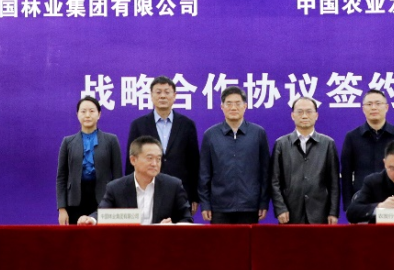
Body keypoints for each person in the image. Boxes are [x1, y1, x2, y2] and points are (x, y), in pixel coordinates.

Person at [126, 76, 200, 216]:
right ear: (151, 95)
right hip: (146, 189)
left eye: (167, 92)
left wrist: (194, 196)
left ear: (174, 95)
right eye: (158, 92)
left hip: (181, 191)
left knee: (179, 228)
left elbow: (194, 163)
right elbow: (131, 162)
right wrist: (130, 193)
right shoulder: (139, 125)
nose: (162, 96)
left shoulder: (187, 124)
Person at [77, 136, 193, 225]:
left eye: (158, 159)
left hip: (162, 244)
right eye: (149, 158)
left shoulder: (173, 186)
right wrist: (91, 219)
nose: (155, 163)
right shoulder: (116, 188)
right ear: (133, 160)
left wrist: (172, 226)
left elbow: (187, 219)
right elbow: (104, 215)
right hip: (128, 244)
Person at [198, 86, 271, 224]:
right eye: (229, 103)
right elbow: (204, 173)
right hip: (219, 206)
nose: (233, 107)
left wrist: (263, 202)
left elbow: (265, 171)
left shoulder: (258, 133)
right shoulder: (211, 135)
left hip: (249, 206)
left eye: (238, 103)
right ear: (222, 107)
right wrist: (205, 203)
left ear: (245, 106)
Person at [270, 97, 340, 225]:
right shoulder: (281, 144)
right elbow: (274, 181)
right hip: (290, 213)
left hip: (320, 213)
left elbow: (334, 182)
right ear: (292, 115)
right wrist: (280, 208)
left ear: (316, 115)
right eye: (300, 112)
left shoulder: (327, 144)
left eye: (309, 111)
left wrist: (333, 212)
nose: (304, 116)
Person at [56, 96, 123, 225]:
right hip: (74, 201)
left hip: (104, 199)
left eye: (92, 111)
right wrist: (62, 209)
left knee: (103, 236)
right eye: (83, 111)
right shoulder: (68, 142)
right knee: (75, 237)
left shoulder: (111, 140)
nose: (87, 115)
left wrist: (117, 204)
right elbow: (61, 177)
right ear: (77, 115)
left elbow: (118, 176)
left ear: (99, 114)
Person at [340, 88, 394, 206]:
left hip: (393, 200)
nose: (373, 107)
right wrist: (349, 206)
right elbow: (346, 174)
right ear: (363, 109)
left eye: (378, 103)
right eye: (369, 104)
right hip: (362, 201)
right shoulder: (352, 137)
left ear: (386, 107)